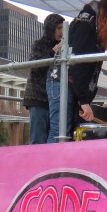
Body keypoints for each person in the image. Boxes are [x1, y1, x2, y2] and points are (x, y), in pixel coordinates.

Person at [47, 0, 107, 142]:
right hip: (64, 79)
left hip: (69, 80)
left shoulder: (93, 22)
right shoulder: (88, 23)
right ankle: (51, 158)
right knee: (59, 130)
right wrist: (84, 101)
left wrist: (83, 98)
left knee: (65, 130)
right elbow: (78, 63)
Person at [24, 13, 64, 144]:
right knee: (38, 139)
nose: (61, 32)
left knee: (53, 137)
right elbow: (35, 66)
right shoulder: (39, 44)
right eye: (58, 28)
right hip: (38, 97)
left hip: (53, 98)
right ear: (50, 28)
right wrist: (53, 52)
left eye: (63, 28)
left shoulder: (63, 47)